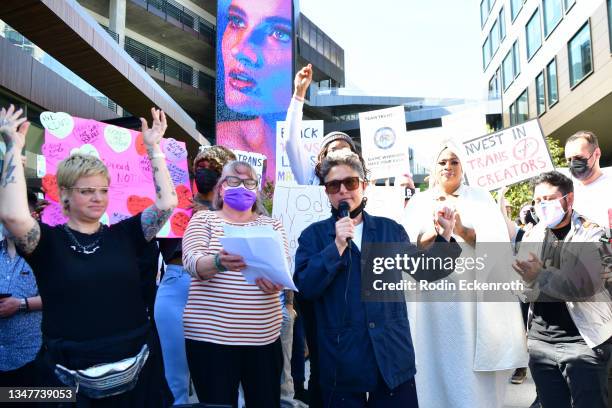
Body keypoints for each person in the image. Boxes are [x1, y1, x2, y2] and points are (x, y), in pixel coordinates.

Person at [0, 105, 178, 406]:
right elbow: (13, 215)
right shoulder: (47, 243)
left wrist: (153, 148)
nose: (97, 198)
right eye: (86, 191)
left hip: (135, 370)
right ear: (65, 195)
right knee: (18, 399)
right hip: (67, 379)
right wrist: (14, 149)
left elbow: (166, 204)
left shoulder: (124, 235)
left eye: (103, 190)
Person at [294, 150, 461, 407]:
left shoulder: (389, 230)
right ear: (326, 192)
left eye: (349, 182)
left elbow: (425, 271)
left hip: (392, 360)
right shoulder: (313, 236)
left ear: (363, 185)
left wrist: (445, 238)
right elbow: (305, 287)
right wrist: (336, 246)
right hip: (342, 366)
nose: (343, 191)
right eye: (333, 185)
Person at [403, 141, 528, 408]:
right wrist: (435, 233)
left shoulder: (481, 197)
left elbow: (495, 244)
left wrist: (461, 230)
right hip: (430, 299)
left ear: (463, 166)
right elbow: (407, 245)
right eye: (442, 162)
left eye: (454, 161)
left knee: (469, 361)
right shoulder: (418, 201)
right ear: (434, 168)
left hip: (471, 298)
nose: (448, 167)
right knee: (431, 359)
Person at [182, 160, 289, 408]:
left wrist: (277, 283)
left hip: (263, 339)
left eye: (249, 182)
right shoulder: (203, 220)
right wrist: (218, 262)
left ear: (256, 190)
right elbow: (191, 262)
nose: (241, 186)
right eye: (233, 180)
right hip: (210, 339)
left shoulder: (271, 225)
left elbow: (284, 268)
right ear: (220, 188)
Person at [512, 170, 612, 408]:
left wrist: (540, 275)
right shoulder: (533, 234)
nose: (541, 205)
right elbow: (522, 287)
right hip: (541, 342)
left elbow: (585, 285)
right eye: (537, 200)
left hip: (583, 342)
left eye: (548, 199)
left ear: (569, 199)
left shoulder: (593, 234)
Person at [154, 145, 236, 406]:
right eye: (200, 167)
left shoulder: (240, 208)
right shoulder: (175, 201)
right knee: (174, 377)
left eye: (213, 168)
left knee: (221, 376)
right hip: (176, 281)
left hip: (219, 287)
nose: (205, 172)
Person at [215, 0, 292, 183]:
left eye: (278, 34)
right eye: (237, 21)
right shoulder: (221, 148)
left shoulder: (305, 160)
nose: (238, 50)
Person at [285, 64, 366, 185]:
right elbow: (291, 142)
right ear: (323, 157)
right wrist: (299, 93)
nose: (339, 153)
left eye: (344, 148)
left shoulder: (361, 185)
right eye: (333, 150)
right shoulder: (310, 178)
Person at [0, 190, 45, 388]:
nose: (9, 218)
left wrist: (20, 305)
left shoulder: (45, 254)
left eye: (16, 212)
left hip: (33, 359)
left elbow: (63, 296)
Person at [565, 131, 611, 235]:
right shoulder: (565, 192)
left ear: (597, 153)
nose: (573, 163)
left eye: (579, 158)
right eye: (569, 159)